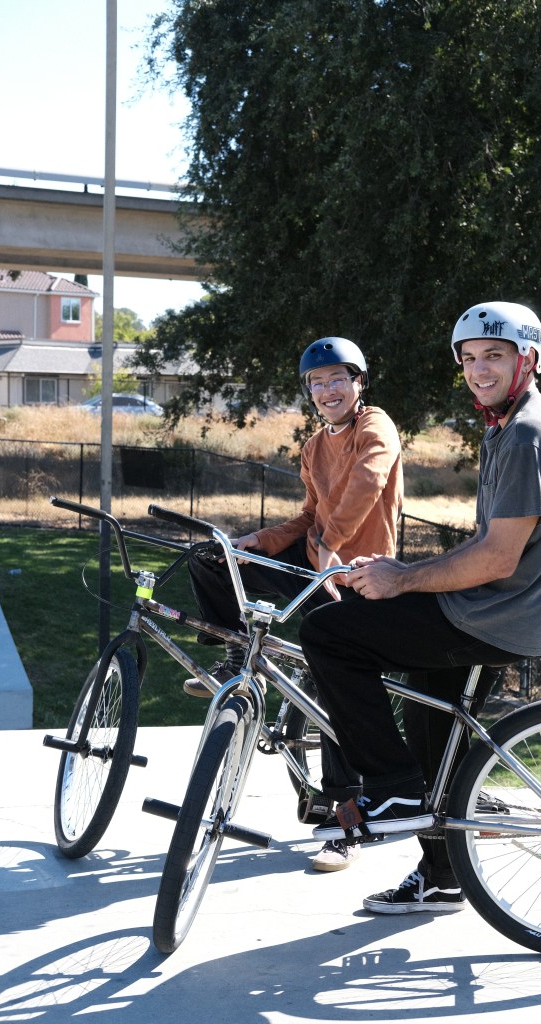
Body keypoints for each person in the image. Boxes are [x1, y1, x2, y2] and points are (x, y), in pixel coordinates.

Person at [299, 300, 541, 913]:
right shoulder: (509, 426)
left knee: (328, 634)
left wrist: (405, 579)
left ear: (528, 359)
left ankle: (390, 789)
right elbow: (490, 545)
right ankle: (443, 875)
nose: (479, 370)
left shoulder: (528, 434)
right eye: (469, 358)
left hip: (498, 614)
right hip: (495, 608)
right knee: (433, 732)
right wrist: (411, 578)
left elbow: (498, 557)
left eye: (494, 356)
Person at [183, 336, 404, 872]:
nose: (328, 390)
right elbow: (309, 516)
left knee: (335, 691)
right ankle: (234, 659)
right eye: (317, 383)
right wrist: (258, 541)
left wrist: (330, 544)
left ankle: (343, 822)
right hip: (312, 565)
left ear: (358, 382)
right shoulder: (313, 447)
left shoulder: (375, 426)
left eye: (338, 379)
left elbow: (368, 482)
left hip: (358, 576)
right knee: (211, 560)